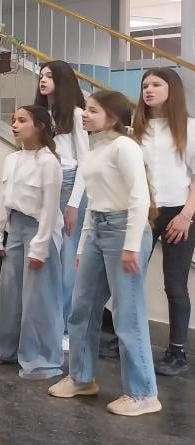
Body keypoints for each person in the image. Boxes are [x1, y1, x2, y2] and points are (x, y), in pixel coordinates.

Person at [49, 91, 160, 417]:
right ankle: (81, 378)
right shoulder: (96, 150)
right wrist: (84, 247)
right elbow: (95, 202)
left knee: (128, 314)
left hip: (124, 230)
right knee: (81, 308)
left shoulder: (125, 146)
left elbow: (140, 196)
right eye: (86, 109)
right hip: (98, 229)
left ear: (111, 117)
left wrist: (130, 246)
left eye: (93, 111)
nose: (85, 114)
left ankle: (143, 393)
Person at [0, 106, 64, 379]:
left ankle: (41, 359)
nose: (15, 125)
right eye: (13, 120)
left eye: (22, 120)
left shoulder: (49, 162)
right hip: (15, 228)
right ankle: (3, 348)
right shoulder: (12, 158)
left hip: (39, 230)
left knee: (38, 298)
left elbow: (51, 209)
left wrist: (40, 247)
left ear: (39, 125)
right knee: (9, 293)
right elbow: (3, 198)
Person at [132, 68, 195, 376]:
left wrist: (186, 215)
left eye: (156, 84)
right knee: (130, 277)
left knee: (175, 283)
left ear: (173, 89)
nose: (149, 89)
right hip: (144, 212)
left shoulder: (190, 127)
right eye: (145, 85)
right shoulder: (137, 128)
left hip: (179, 213)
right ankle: (128, 337)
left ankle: (177, 351)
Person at [34, 60, 88, 345]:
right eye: (41, 75)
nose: (43, 80)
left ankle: (66, 329)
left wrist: (74, 204)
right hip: (45, 183)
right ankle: (48, 323)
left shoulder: (76, 114)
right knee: (46, 254)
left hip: (69, 185)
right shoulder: (41, 114)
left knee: (69, 261)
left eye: (50, 76)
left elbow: (85, 162)